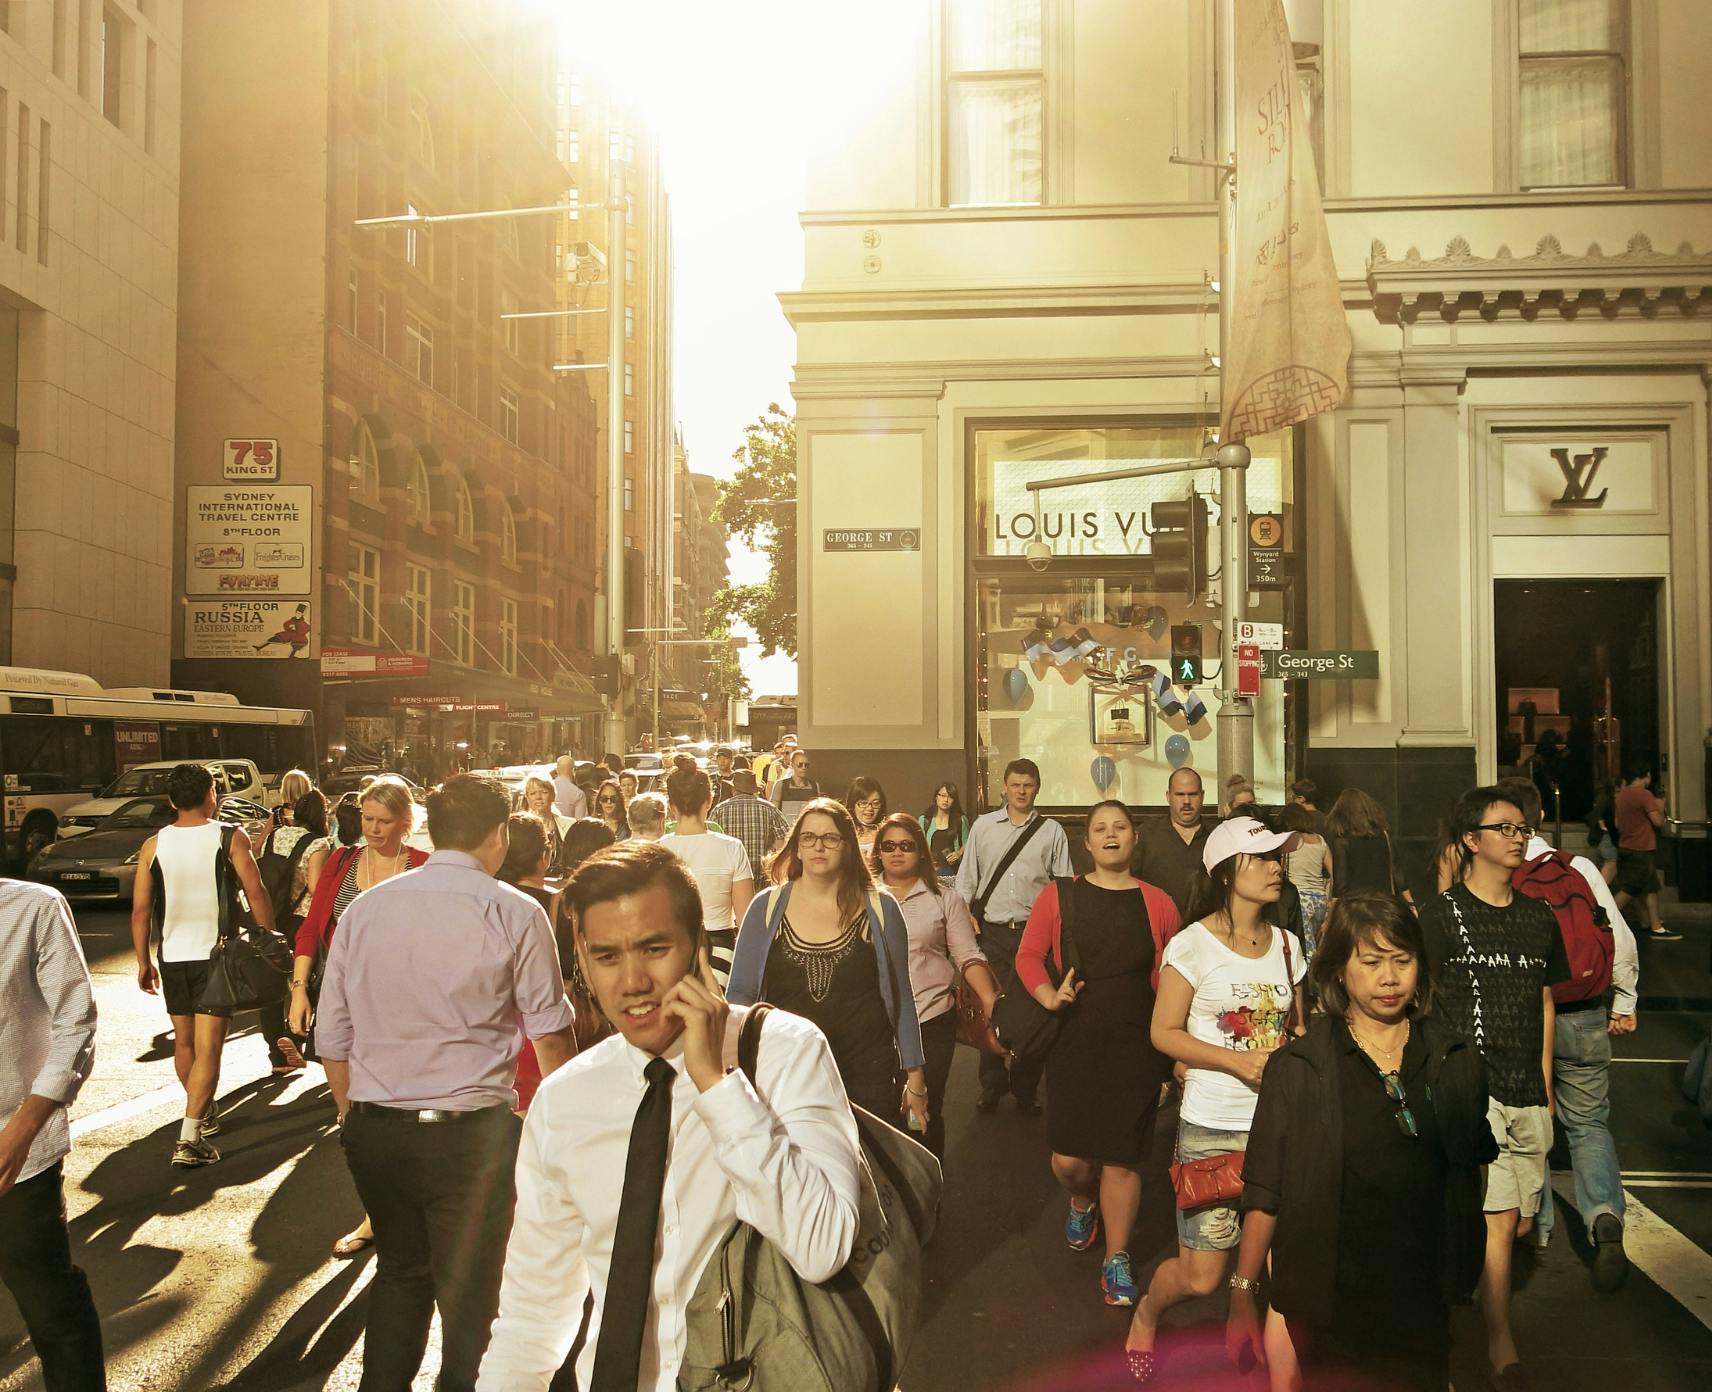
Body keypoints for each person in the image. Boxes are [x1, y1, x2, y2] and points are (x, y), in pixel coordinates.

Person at [474, 842, 862, 1391]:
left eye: (654, 949)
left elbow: (823, 1247)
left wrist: (717, 1086)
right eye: (607, 956)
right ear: (582, 959)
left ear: (698, 948)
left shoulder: (784, 1051)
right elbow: (533, 1314)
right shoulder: (565, 1102)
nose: (632, 981)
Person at [316, 774, 578, 1392]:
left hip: (378, 1128)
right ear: (500, 834)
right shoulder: (517, 912)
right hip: (473, 1134)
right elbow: (551, 1038)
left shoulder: (367, 910)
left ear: (431, 830)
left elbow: (332, 1037)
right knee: (473, 1293)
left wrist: (352, 1114)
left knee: (402, 1274)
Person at [1224, 893, 1499, 1392]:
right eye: (1371, 962)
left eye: (1402, 960)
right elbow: (1266, 1189)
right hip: (1331, 1299)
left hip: (1424, 1297)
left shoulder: (1455, 1058)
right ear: (1338, 972)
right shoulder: (1300, 1068)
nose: (1389, 978)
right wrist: (1243, 1292)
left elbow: (1472, 1167)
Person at [1125, 815, 1306, 1383]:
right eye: (1264, 858)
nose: (1278, 868)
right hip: (1212, 1123)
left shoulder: (1287, 945)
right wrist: (1236, 1060)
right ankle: (1148, 1311)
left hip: (1280, 1126)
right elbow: (1164, 1032)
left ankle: (1258, 1334)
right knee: (1202, 1274)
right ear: (1228, 871)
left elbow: (1296, 1028)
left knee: (1278, 1264)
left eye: (1280, 857)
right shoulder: (1192, 944)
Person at [1418, 787, 1569, 1388]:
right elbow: (1416, 1002)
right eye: (1503, 827)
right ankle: (1496, 1343)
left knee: (1517, 1223)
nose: (1518, 836)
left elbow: (1546, 1000)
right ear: (1470, 841)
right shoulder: (1440, 916)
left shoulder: (1538, 916)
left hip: (1525, 1085)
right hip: (1467, 1089)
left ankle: (1469, 1308)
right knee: (1497, 1219)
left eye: (1522, 827)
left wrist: (1547, 1083)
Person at [1016, 801, 1179, 1309]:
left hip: (1135, 1044)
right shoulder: (1059, 895)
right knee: (1069, 1159)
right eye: (1100, 829)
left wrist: (1173, 1048)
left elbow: (1172, 978)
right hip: (1074, 1040)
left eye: (1120, 827)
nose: (1111, 835)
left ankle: (1117, 1257)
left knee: (1122, 1157)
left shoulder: (1159, 904)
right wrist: (1047, 996)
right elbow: (1027, 955)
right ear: (1086, 843)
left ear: (1134, 838)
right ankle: (1082, 1200)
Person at [1497, 776, 1638, 1291]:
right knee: (1590, 1125)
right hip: (1583, 1014)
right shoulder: (1575, 866)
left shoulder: (1499, 870)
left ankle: (1539, 1230)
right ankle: (1605, 1219)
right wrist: (1625, 1000)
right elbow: (1616, 935)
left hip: (1524, 1017)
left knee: (1529, 1121)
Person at [287, 776, 431, 1258]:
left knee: (400, 1116)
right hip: (341, 999)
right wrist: (298, 990)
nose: (371, 828)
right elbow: (310, 928)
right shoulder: (342, 862)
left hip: (404, 1008)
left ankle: (395, 1211)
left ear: (405, 823)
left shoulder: (423, 867)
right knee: (355, 1125)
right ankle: (377, 1209)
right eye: (366, 819)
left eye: (382, 821)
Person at [730, 798, 928, 1128]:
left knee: (867, 1173)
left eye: (830, 838)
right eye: (808, 838)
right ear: (796, 847)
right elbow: (739, 994)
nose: (818, 846)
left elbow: (902, 996)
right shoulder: (767, 907)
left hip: (866, 1071)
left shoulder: (881, 909)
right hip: (784, 1070)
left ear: (848, 847)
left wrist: (915, 1076)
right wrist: (731, 1068)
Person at [130, 762, 276, 1169]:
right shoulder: (228, 836)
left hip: (172, 954)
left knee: (185, 1043)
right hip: (217, 955)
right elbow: (255, 889)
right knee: (210, 1045)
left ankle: (202, 1111)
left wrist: (143, 960)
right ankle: (189, 1137)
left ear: (171, 800)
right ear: (211, 795)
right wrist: (268, 937)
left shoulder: (153, 845)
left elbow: (142, 910)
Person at [0, 879, 104, 1392]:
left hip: (17, 1157)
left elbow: (75, 1021)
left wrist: (22, 1130)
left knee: (51, 1311)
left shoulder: (32, 907)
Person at [870, 812, 998, 1161]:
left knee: (921, 1112)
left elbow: (967, 954)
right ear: (878, 852)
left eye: (906, 846)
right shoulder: (860, 898)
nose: (897, 852)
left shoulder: (944, 898)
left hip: (930, 1020)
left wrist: (990, 1000)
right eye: (889, 846)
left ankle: (926, 1194)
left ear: (922, 852)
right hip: (872, 1025)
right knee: (877, 1110)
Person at [956, 757, 1074, 1115]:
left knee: (1033, 1015)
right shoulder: (983, 827)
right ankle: (992, 1085)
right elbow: (966, 881)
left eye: (1028, 785)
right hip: (992, 932)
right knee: (989, 1007)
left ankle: (1025, 1087)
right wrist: (963, 921)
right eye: (1015, 784)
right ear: (1004, 787)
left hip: (1033, 937)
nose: (1021, 791)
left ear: (1037, 788)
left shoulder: (1052, 831)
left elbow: (1064, 887)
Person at [659, 763, 754, 988]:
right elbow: (746, 920)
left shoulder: (658, 852)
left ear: (671, 806)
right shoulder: (732, 848)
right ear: (709, 802)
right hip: (721, 950)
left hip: (669, 953)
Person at [1133, 767, 1211, 921]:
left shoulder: (1217, 837)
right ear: (1168, 796)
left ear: (1202, 796)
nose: (1186, 801)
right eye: (1180, 794)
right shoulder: (1146, 835)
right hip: (1158, 932)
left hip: (1207, 934)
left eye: (1193, 794)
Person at [1612, 763, 1676, 939]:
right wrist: (1661, 806)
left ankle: (1654, 924)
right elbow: (1658, 822)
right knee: (1630, 889)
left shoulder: (1621, 794)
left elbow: (1617, 824)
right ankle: (1606, 920)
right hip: (1642, 848)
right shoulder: (1645, 795)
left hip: (1625, 846)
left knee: (1650, 888)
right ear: (1646, 775)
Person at [1326, 787, 1403, 902]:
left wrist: (1332, 913)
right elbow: (1397, 874)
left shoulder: (1342, 842)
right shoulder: (1384, 836)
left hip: (1357, 907)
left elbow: (1340, 887)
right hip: (1385, 903)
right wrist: (1411, 904)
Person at [710, 768, 788, 882]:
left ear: (733, 788)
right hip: (762, 880)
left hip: (731, 879)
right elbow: (783, 844)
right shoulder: (770, 809)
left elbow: (712, 845)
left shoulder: (719, 810)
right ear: (753, 789)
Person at [1279, 801, 1334, 964]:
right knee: (1315, 943)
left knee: (1306, 947)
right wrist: (1330, 899)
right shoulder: (1320, 840)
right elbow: (1333, 872)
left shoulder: (1290, 840)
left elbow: (1280, 868)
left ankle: (1312, 984)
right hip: (1319, 899)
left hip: (1300, 898)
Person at [524, 776, 575, 872]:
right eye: (533, 793)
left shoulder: (571, 825)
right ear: (527, 798)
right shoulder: (520, 828)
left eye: (544, 792)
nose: (538, 797)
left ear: (553, 796)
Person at [920, 780, 970, 871]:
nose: (946, 800)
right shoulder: (925, 820)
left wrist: (958, 853)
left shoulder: (960, 820)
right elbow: (919, 846)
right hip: (931, 870)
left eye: (950, 797)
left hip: (954, 870)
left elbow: (967, 843)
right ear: (936, 796)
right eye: (943, 795)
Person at [769, 746, 821, 821]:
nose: (803, 767)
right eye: (800, 764)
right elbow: (773, 812)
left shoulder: (814, 786)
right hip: (786, 830)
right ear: (792, 765)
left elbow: (816, 812)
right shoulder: (781, 785)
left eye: (806, 765)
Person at [845, 776, 888, 857]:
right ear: (852, 805)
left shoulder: (886, 833)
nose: (869, 808)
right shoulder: (844, 835)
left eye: (875, 803)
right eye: (863, 803)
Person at [551, 755, 588, 821]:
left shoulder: (547, 788)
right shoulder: (578, 793)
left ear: (557, 770)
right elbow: (580, 822)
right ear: (573, 770)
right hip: (569, 830)